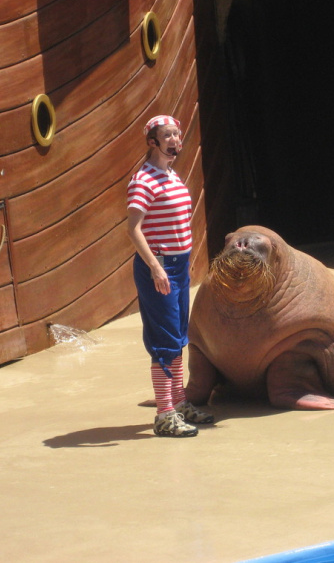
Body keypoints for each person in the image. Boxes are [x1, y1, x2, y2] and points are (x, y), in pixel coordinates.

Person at [127, 115, 214, 437]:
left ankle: (179, 404)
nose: (176, 139)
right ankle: (164, 415)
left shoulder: (171, 175)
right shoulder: (144, 180)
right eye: (168, 135)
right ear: (153, 142)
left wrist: (184, 262)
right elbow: (133, 229)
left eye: (177, 133)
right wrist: (156, 267)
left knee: (179, 338)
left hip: (178, 265)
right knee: (164, 342)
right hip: (159, 267)